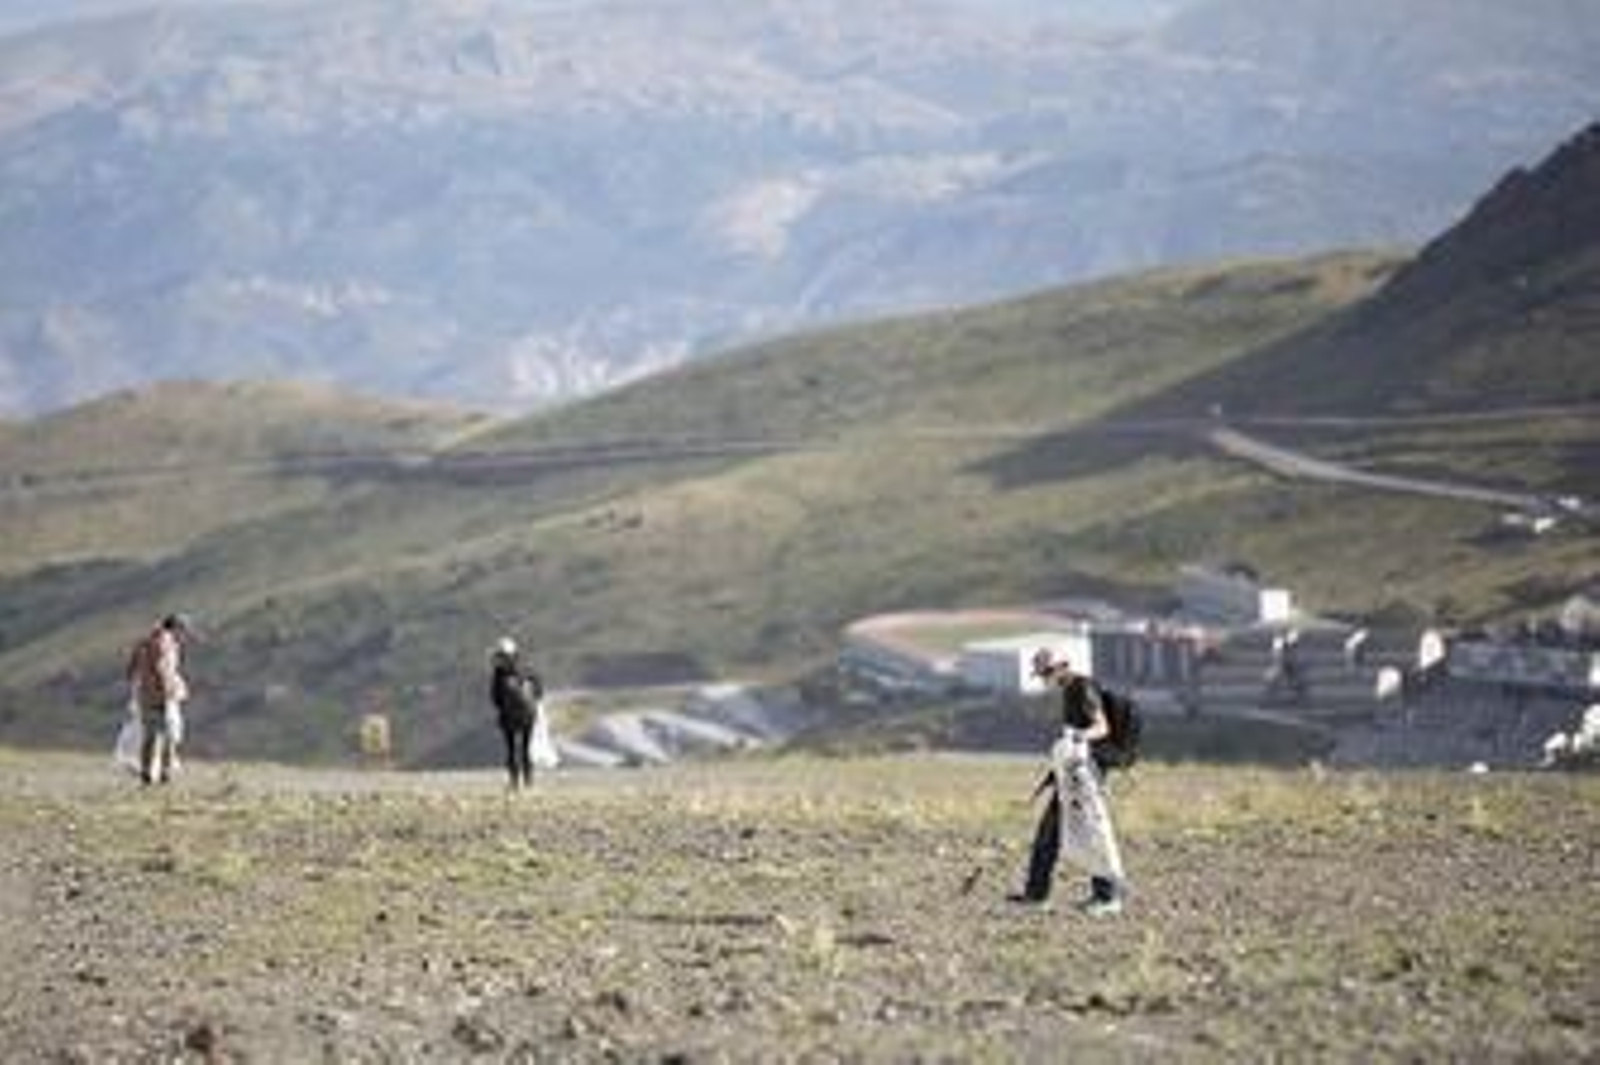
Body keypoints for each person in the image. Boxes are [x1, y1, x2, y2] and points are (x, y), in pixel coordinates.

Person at [1015, 649, 1127, 915]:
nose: (1044, 679)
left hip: (1085, 775)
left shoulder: (1083, 688)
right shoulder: (1069, 690)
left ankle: (1108, 898)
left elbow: (1102, 727)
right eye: (1041, 674)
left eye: (1047, 672)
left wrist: (1078, 737)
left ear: (1062, 667)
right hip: (1072, 773)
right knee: (1050, 832)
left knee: (1090, 832)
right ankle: (1036, 895)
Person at [124, 613, 193, 786]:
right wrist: (167, 688)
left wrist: (138, 685)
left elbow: (131, 669)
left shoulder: (144, 641)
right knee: (171, 735)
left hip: (144, 696)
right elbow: (161, 666)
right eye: (183, 631)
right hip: (163, 696)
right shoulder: (166, 642)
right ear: (176, 628)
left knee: (150, 736)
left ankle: (146, 773)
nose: (184, 636)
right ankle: (165, 773)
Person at [489, 636, 544, 789]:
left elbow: (495, 697)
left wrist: (502, 710)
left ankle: (514, 782)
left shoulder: (499, 674)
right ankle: (528, 780)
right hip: (528, 716)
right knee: (526, 748)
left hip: (509, 717)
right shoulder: (526, 669)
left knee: (511, 749)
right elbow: (538, 691)